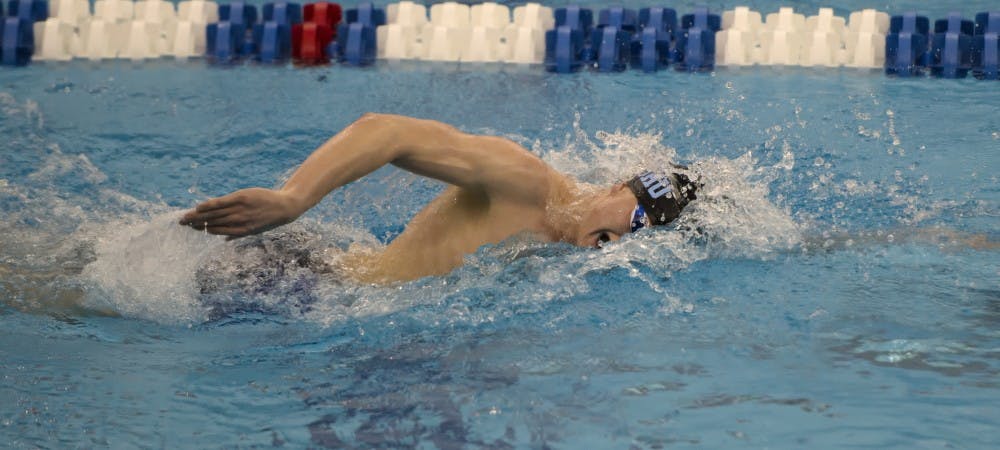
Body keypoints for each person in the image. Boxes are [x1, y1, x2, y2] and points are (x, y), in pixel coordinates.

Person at [179, 113, 700, 283]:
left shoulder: (575, 256)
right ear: (617, 186)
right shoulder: (525, 182)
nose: (628, 237)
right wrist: (291, 199)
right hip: (292, 280)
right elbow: (387, 131)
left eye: (647, 236)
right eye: (637, 217)